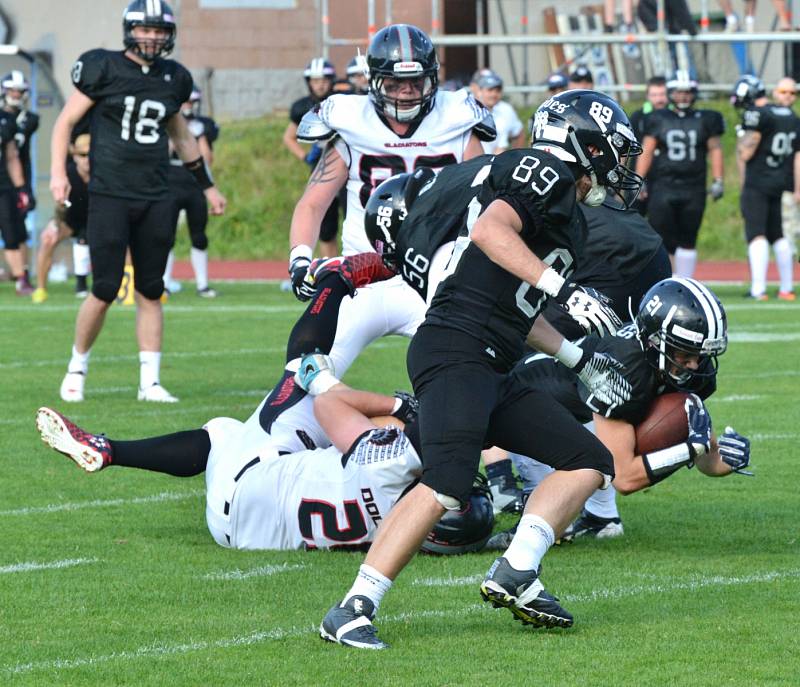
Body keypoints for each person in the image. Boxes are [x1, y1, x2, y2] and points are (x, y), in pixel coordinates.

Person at [319, 90, 643, 649]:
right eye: (614, 149)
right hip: (457, 348)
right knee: (447, 479)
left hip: (492, 358)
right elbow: (491, 233)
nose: (620, 162)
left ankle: (517, 570)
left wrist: (577, 357)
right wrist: (562, 287)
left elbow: (521, 305)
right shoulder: (544, 167)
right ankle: (352, 608)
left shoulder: (570, 211)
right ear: (584, 142)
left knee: (587, 460)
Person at [50, 0, 226, 404]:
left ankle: (150, 383)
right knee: (106, 287)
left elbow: (181, 137)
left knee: (151, 288)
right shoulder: (102, 67)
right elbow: (64, 122)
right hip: (111, 193)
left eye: (160, 31)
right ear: (130, 30)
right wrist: (60, 173)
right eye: (146, 30)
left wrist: (207, 186)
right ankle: (77, 367)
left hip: (155, 194)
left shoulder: (173, 78)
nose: (153, 37)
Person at [36, 371, 426, 551]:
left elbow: (330, 405)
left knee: (303, 374)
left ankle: (111, 449)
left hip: (256, 487)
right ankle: (110, 449)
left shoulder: (389, 462)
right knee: (223, 433)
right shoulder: (400, 534)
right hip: (242, 536)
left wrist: (399, 406)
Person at [488, 278, 751, 546]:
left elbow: (707, 453)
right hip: (524, 400)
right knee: (558, 509)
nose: (694, 365)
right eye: (686, 353)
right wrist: (688, 450)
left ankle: (598, 519)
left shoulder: (684, 367)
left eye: (701, 354)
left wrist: (728, 458)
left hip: (580, 412)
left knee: (600, 451)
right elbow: (624, 477)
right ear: (655, 341)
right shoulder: (625, 368)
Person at [289, 22, 494, 288]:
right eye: (395, 82)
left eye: (415, 81)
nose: (406, 91)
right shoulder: (350, 120)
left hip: (439, 274)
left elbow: (486, 204)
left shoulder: (458, 117)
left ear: (431, 79)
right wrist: (300, 260)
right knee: (312, 331)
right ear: (375, 81)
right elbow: (313, 204)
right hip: (362, 272)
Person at [636, 71, 725, 278]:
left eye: (687, 92)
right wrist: (640, 179)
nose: (683, 97)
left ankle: (685, 281)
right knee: (661, 236)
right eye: (679, 92)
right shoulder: (657, 118)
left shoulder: (706, 119)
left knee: (688, 236)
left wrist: (718, 179)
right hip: (664, 185)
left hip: (693, 186)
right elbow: (646, 150)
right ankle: (665, 280)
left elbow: (715, 149)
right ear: (670, 93)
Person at [733, 74, 799, 300]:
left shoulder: (757, 114)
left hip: (758, 181)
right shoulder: (790, 115)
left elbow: (747, 151)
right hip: (779, 180)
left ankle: (758, 289)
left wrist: (741, 138)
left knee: (757, 234)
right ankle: (787, 287)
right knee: (777, 234)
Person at [162, 87, 219, 297]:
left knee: (199, 236)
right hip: (171, 184)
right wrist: (178, 131)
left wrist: (197, 134)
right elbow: (164, 154)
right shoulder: (166, 121)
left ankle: (202, 284)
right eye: (184, 102)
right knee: (166, 236)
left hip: (195, 184)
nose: (187, 107)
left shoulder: (203, 126)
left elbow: (207, 160)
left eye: (190, 103)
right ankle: (164, 284)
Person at [283, 57, 341, 258]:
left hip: (348, 169)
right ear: (308, 83)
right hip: (322, 170)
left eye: (324, 79)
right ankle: (331, 269)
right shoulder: (302, 107)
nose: (320, 84)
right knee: (326, 228)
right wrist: (305, 156)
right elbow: (289, 137)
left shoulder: (342, 101)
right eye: (315, 80)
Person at [32, 133, 92, 303]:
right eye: (82, 155)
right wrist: (56, 224)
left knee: (124, 241)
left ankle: (126, 287)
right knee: (47, 238)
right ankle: (40, 289)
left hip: (96, 220)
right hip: (71, 219)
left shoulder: (102, 174)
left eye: (90, 155)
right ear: (74, 156)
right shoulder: (67, 175)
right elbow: (60, 207)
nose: (87, 159)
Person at [0, 99, 30, 294]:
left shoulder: (5, 120)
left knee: (11, 232)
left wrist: (21, 189)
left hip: (3, 185)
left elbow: (11, 157)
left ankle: (21, 280)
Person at [469, 69, 525, 154]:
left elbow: (519, 132)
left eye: (497, 90)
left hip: (496, 164)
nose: (494, 94)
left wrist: (515, 158)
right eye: (490, 90)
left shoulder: (505, 110)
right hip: (471, 164)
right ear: (478, 90)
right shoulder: (465, 109)